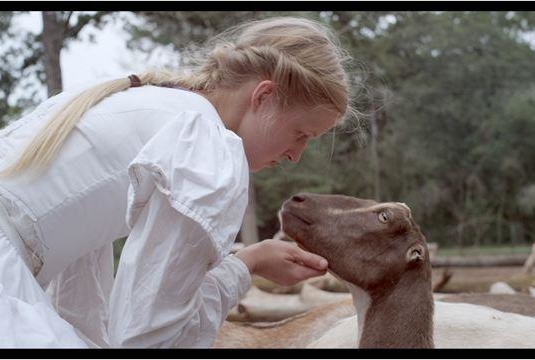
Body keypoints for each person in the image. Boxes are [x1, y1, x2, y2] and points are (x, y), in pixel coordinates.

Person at [0, 16, 353, 347]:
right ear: (263, 97)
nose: (296, 155)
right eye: (300, 134)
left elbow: (81, 279)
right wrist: (246, 266)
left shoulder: (147, 102)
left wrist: (254, 259)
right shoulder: (206, 148)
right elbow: (150, 335)